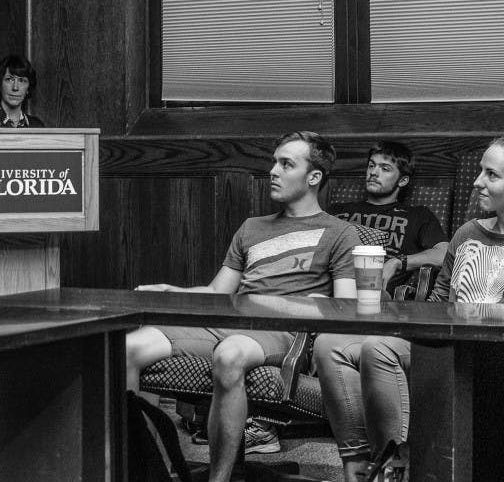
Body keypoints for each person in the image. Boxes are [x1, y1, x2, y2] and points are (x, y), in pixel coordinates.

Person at [126, 131, 359, 482]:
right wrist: (173, 291)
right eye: (274, 162)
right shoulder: (252, 228)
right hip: (226, 320)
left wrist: (287, 304)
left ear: (314, 177)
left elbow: (345, 304)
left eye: (286, 164)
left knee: (230, 354)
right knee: (128, 347)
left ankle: (219, 480)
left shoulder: (340, 233)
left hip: (282, 333)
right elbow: (219, 291)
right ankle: (149, 470)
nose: (273, 171)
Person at [314, 136, 504, 482]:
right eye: (479, 171)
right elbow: (438, 302)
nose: (477, 182)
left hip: (488, 358)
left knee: (377, 348)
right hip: (444, 346)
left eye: (491, 175)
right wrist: (398, 318)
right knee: (341, 345)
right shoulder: (467, 233)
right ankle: (388, 463)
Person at [327, 140, 448, 294]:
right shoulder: (337, 210)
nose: (374, 172)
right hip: (329, 288)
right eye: (371, 165)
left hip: (377, 295)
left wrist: (398, 262)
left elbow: (445, 254)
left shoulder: (418, 215)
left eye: (385, 168)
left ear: (403, 180)